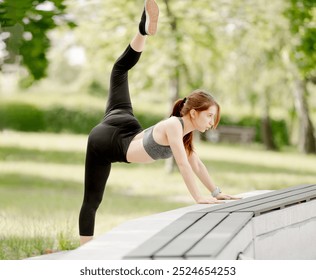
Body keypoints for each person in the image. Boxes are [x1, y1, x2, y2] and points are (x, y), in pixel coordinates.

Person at [79, 0, 238, 246]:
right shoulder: (174, 125)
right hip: (106, 142)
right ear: (194, 112)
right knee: (92, 200)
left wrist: (216, 193)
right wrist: (198, 197)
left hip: (125, 124)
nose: (211, 123)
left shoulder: (184, 132)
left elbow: (197, 164)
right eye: (209, 116)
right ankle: (84, 252)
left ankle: (142, 30)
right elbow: (184, 166)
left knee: (119, 70)